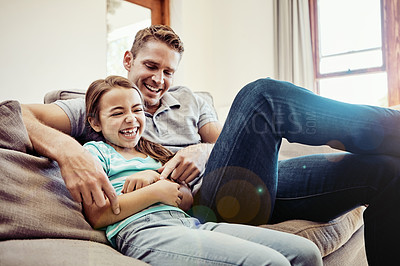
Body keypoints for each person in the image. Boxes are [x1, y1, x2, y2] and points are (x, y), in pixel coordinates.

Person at [21, 25, 400, 266]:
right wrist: (69, 150)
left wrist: (203, 151)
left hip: (243, 181)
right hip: (207, 201)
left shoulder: (192, 100)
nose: (159, 79)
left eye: (169, 71)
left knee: (385, 171)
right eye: (151, 67)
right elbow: (16, 114)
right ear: (128, 60)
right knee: (261, 97)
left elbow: (234, 143)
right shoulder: (100, 104)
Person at [81, 75, 322, 265]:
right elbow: (98, 214)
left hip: (188, 223)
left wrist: (155, 179)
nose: (131, 119)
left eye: (136, 109)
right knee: (273, 263)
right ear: (94, 121)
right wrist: (155, 192)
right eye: (117, 112)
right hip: (144, 231)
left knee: (306, 253)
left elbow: (184, 199)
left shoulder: (153, 151)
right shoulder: (95, 152)